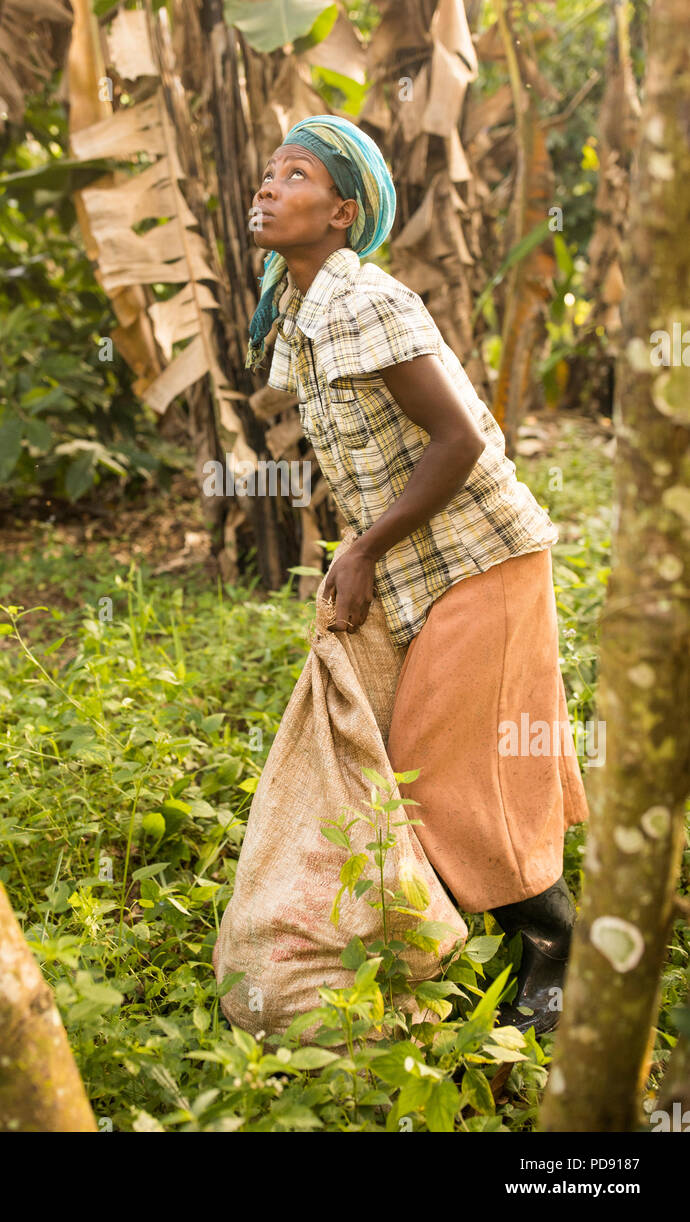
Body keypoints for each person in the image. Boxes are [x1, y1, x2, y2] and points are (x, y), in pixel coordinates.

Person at [244, 113, 589, 1035]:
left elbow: (462, 440)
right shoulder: (300, 309)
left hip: (484, 558)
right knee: (427, 767)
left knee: (445, 777)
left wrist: (358, 550)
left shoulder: (366, 301)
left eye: (296, 175)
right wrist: (360, 554)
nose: (269, 187)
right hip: (416, 569)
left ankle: (556, 953)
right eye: (269, 172)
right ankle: (471, 954)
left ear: (343, 212)